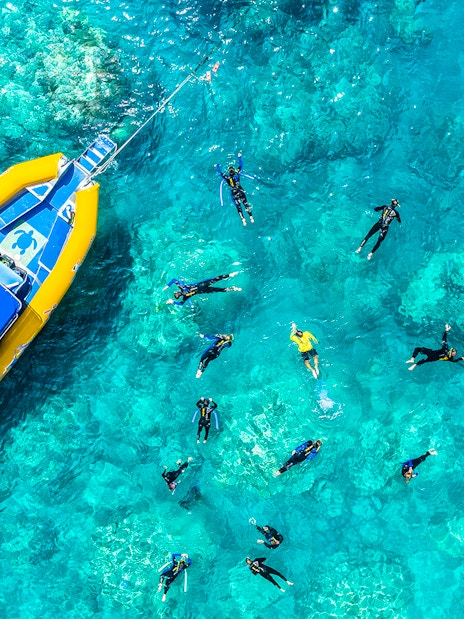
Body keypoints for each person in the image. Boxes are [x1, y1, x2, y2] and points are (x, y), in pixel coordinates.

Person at [216, 153, 254, 226]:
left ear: (228, 172)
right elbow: (241, 166)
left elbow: (220, 173)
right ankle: (251, 217)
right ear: (234, 170)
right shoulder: (237, 174)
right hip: (240, 191)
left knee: (238, 206)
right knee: (246, 203)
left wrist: (217, 166)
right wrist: (239, 157)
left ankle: (243, 219)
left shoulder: (227, 178)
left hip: (234, 193)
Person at [164, 272, 241, 306]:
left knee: (220, 290)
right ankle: (230, 275)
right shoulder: (182, 287)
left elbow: (181, 304)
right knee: (216, 279)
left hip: (203, 291)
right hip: (202, 285)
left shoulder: (185, 297)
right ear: (177, 291)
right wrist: (167, 286)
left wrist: (172, 302)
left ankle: (233, 288)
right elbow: (174, 280)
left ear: (180, 296)